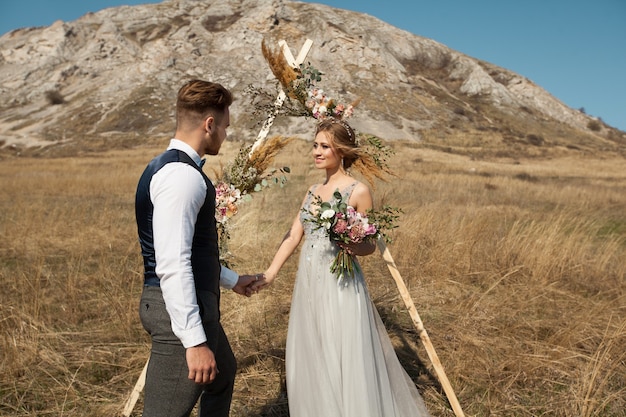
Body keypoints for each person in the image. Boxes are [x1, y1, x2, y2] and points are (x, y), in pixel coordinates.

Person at [250, 117, 431, 417]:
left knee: (343, 353)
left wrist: (349, 240)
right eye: (315, 145)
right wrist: (269, 273)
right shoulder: (311, 191)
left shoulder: (358, 191)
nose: (317, 152)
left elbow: (369, 245)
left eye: (325, 146)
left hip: (341, 285)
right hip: (309, 285)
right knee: (316, 353)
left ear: (341, 151)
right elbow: (294, 235)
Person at [135, 79, 258, 417]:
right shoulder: (182, 177)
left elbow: (190, 251)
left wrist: (233, 281)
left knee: (222, 375)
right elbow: (173, 263)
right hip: (177, 311)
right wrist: (194, 341)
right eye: (225, 127)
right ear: (209, 124)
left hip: (186, 303)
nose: (225, 135)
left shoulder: (171, 167)